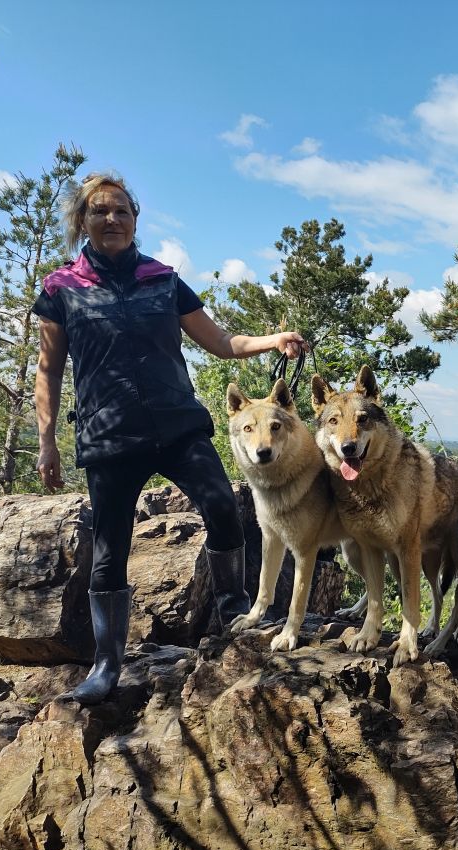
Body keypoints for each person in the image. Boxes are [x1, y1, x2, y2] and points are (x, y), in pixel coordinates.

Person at [34, 172, 307, 706]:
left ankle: (231, 605)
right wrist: (47, 442)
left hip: (177, 425)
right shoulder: (60, 288)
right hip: (108, 436)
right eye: (99, 211)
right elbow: (49, 371)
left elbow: (221, 341)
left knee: (222, 506)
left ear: (135, 218)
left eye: (120, 211)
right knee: (110, 549)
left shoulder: (163, 279)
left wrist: (273, 339)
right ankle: (108, 661)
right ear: (82, 221)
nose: (111, 219)